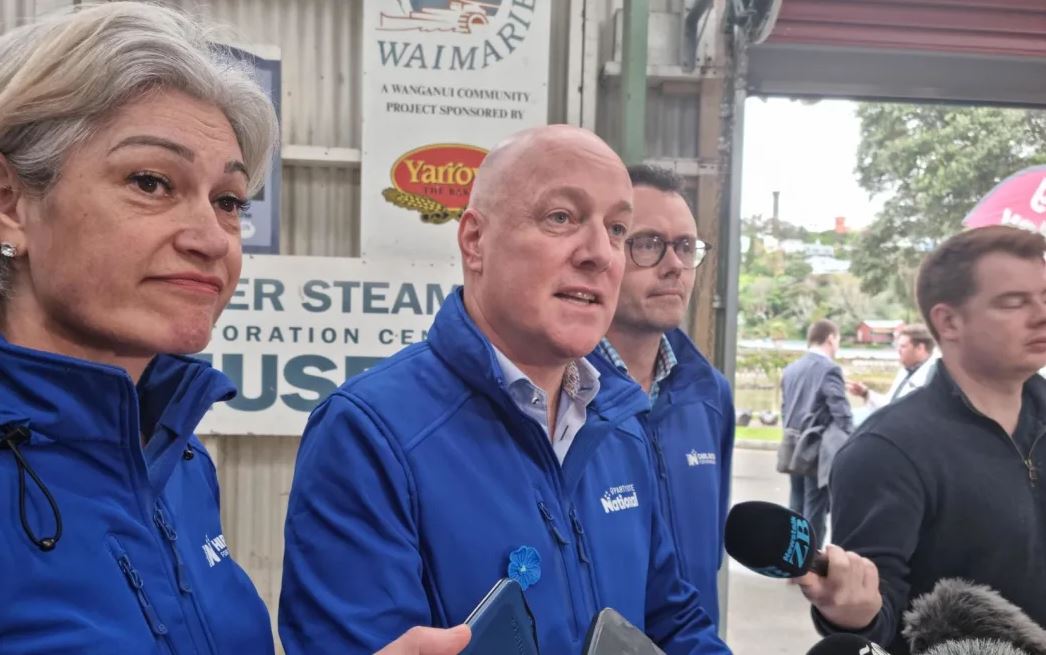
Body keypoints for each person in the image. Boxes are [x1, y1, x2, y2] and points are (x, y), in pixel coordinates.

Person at [0, 4, 468, 654]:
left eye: (227, 201)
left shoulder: (176, 456)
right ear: (10, 203)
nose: (208, 239)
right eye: (151, 181)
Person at [279, 126, 730, 655]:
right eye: (561, 217)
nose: (601, 254)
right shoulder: (368, 434)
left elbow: (672, 622)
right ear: (475, 241)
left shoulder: (620, 424)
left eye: (617, 230)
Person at [797, 226, 1046, 654]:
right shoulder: (886, 452)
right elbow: (878, 614)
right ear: (948, 321)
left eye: (1045, 296)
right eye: (1013, 302)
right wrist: (858, 613)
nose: (1041, 313)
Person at [596, 164, 734, 628]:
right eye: (649, 244)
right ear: (605, 250)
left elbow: (707, 556)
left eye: (685, 247)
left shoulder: (709, 396)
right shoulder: (562, 392)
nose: (675, 265)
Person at [780, 319, 854, 548]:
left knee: (796, 502)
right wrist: (851, 437)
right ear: (830, 338)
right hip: (815, 446)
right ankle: (808, 561)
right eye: (838, 340)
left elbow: (784, 408)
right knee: (815, 505)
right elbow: (840, 410)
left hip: (791, 442)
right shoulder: (829, 369)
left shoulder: (791, 369)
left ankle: (792, 557)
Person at [847, 324, 937, 410]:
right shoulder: (906, 371)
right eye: (897, 346)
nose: (898, 350)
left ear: (920, 348)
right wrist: (865, 393)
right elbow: (889, 406)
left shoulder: (933, 378)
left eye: (903, 346)